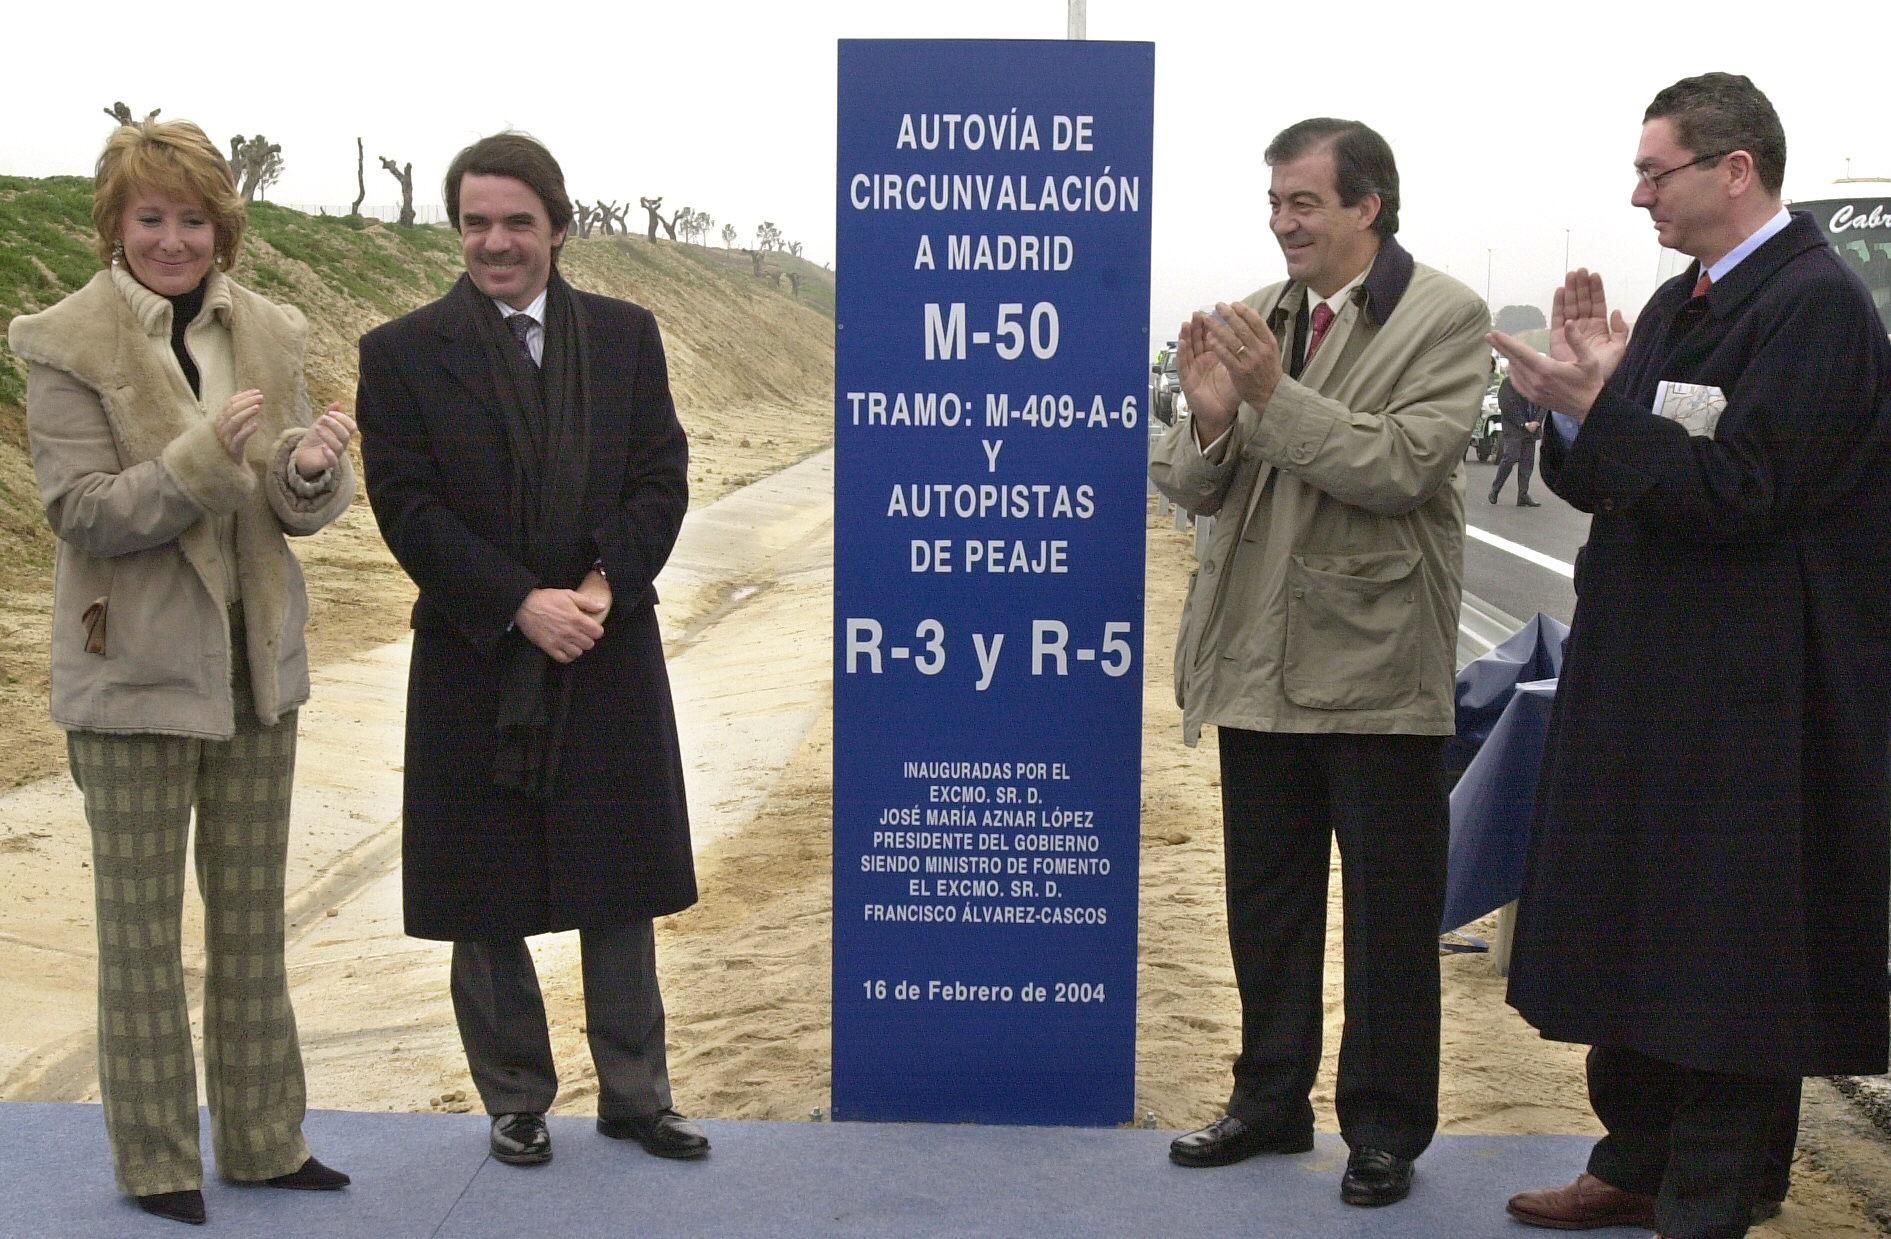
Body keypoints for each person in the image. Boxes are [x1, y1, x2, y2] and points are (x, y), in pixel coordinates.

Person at [1491, 72, 1891, 1239]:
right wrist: (1577, 410)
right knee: (1635, 927)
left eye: (1654, 170)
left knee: (1726, 954)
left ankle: (1710, 1191)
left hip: (1751, 695)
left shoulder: (1814, 307)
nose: (1636, 195)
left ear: (1734, 170)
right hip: (1653, 677)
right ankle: (1633, 1156)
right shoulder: (1685, 298)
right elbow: (1608, 475)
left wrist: (1605, 413)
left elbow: (1745, 492)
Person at [5, 119, 356, 1226]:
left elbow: (292, 507)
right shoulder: (62, 341)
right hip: (134, 681)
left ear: (222, 226)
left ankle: (264, 1143)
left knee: (253, 924)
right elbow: (82, 513)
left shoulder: (269, 327)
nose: (171, 238)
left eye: (192, 217)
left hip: (257, 675)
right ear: (114, 226)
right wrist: (204, 462)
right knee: (142, 941)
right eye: (149, 217)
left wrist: (310, 471)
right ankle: (157, 1162)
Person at [1148, 117, 1490, 1207]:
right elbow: (1201, 485)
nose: (1281, 221)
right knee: (1268, 902)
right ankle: (1266, 1098)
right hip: (1254, 662)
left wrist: (1264, 398)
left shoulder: (1445, 317)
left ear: (1365, 207)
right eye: (1275, 203)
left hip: (1377, 670)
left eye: (1302, 202)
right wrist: (1205, 425)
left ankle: (1385, 1128)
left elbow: (1396, 466)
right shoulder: (1264, 317)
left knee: (1389, 918)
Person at [355, 133, 703, 1169]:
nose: (493, 243)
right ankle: (514, 1098)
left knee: (620, 877)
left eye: (515, 222)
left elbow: (661, 475)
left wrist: (598, 589)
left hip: (604, 639)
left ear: (559, 226)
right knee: (483, 885)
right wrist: (517, 603)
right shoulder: (403, 353)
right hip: (476, 648)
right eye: (475, 223)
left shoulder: (627, 336)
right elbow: (405, 508)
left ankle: (637, 1097)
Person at [1487, 377, 1543, 506]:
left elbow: (1545, 403)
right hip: (1514, 428)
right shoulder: (1509, 382)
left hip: (1532, 428)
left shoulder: (1539, 381)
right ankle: (1495, 489)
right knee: (1510, 458)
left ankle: (1523, 495)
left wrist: (1537, 422)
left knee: (1527, 463)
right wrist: (1524, 423)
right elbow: (1506, 405)